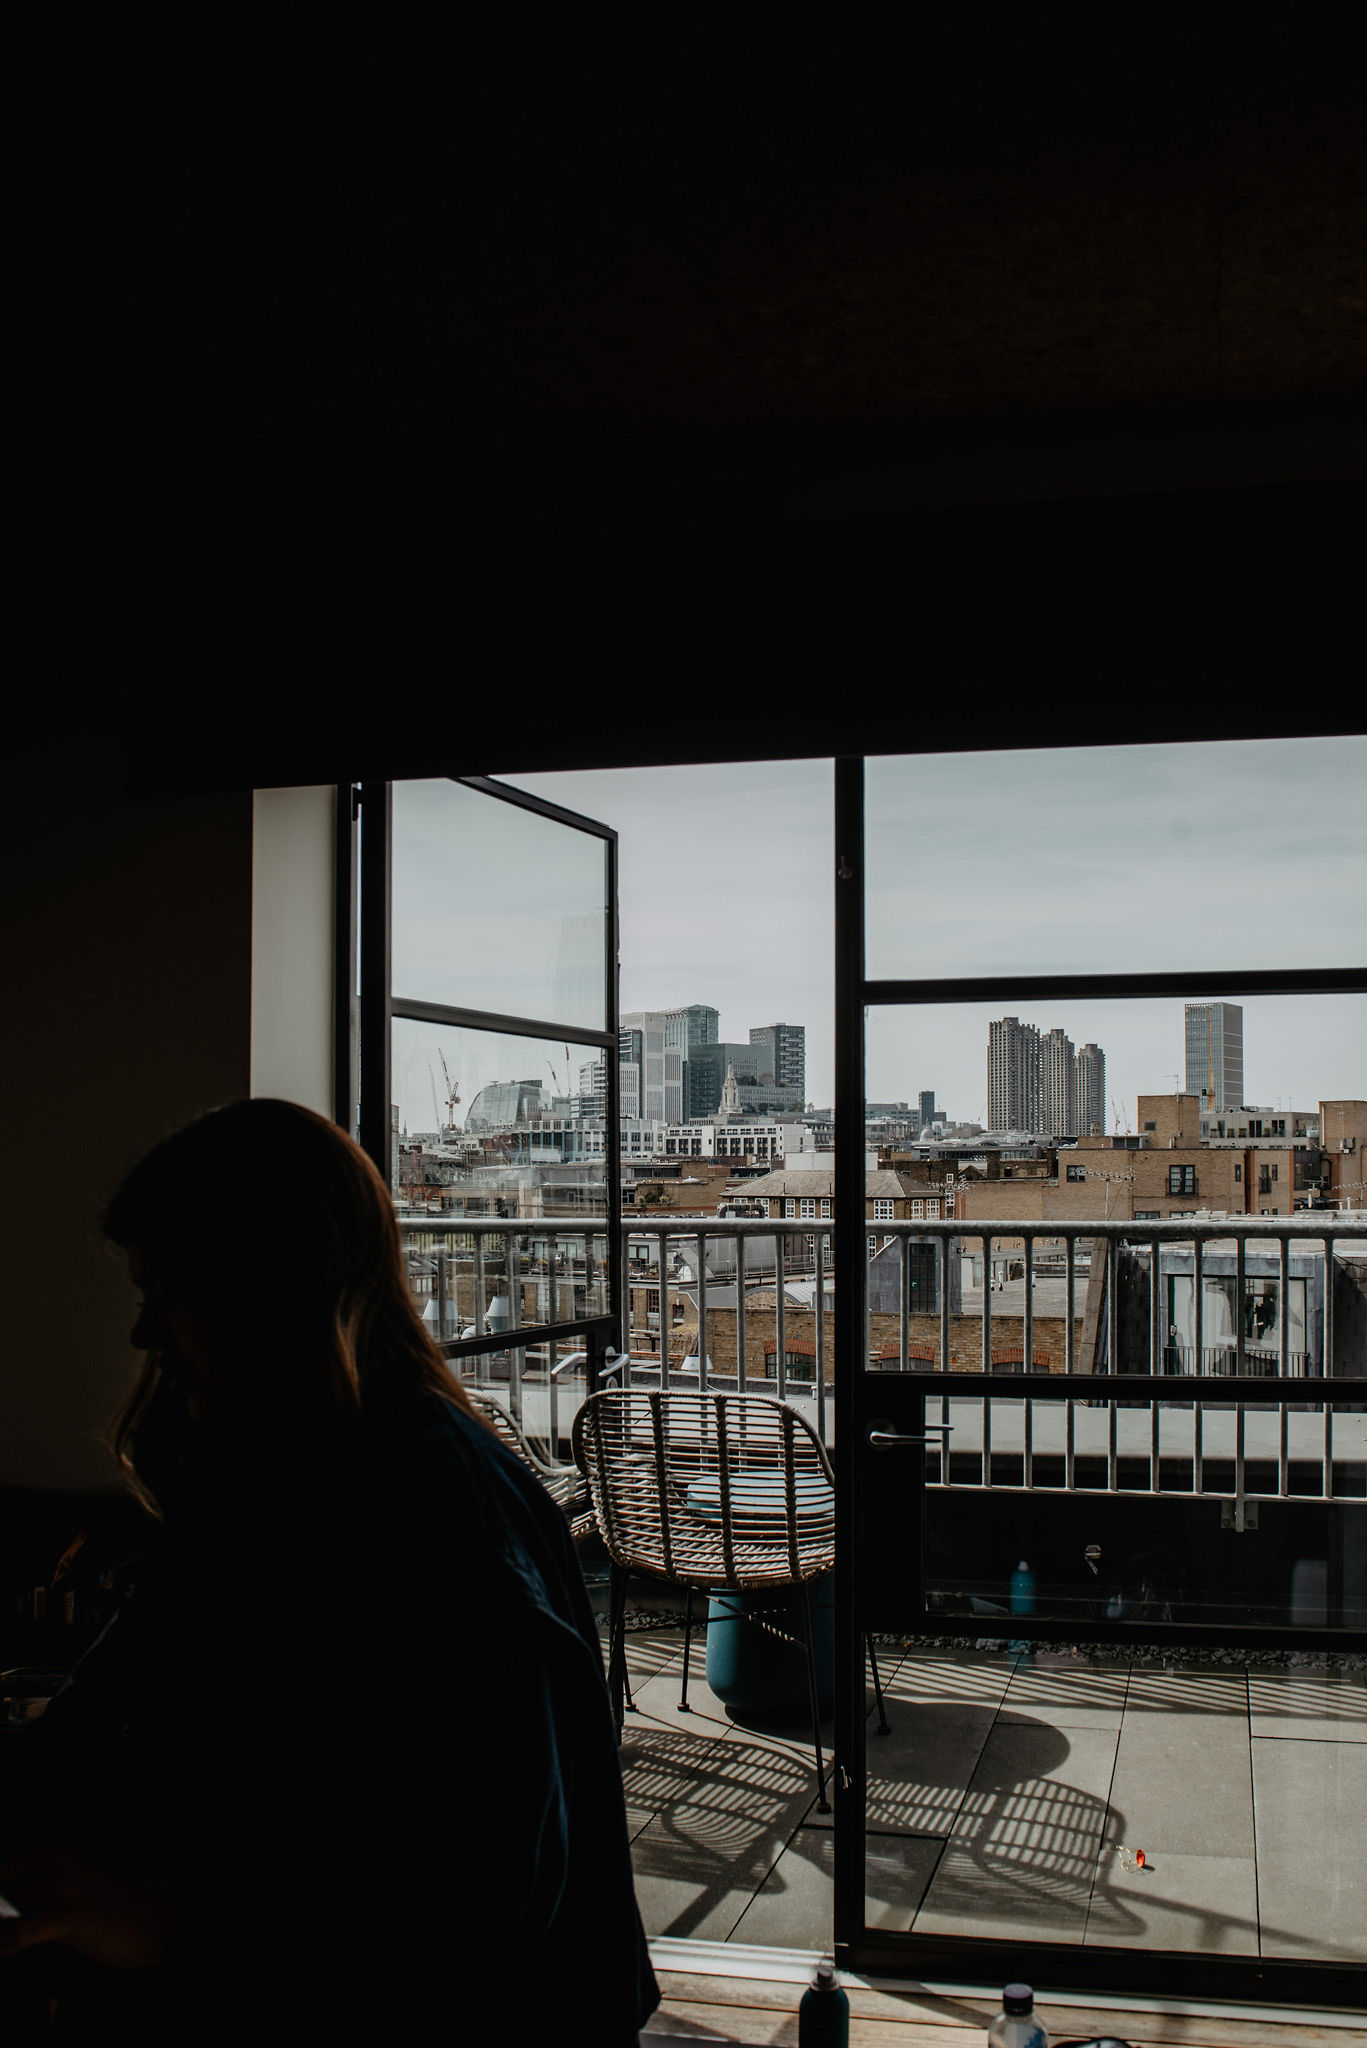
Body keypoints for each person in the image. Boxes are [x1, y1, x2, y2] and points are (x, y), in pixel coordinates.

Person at [0, 1099, 660, 2043]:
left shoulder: (429, 1521)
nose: (146, 1337)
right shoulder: (290, 1473)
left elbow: (481, 1912)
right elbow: (106, 1709)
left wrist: (169, 1925)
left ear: (254, 1290)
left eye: (165, 1295)